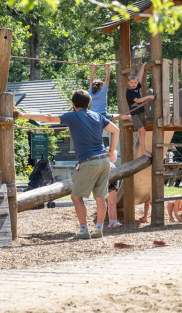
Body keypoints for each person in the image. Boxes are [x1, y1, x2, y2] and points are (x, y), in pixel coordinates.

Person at [17, 90, 120, 239]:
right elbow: (116, 130)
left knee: (76, 197)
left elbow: (48, 117)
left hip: (89, 161)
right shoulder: (98, 116)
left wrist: (23, 115)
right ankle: (98, 229)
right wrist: (110, 152)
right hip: (104, 161)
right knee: (100, 197)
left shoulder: (72, 116)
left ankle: (84, 230)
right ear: (89, 103)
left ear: (73, 104)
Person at [126, 62, 156, 158]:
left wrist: (142, 67)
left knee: (142, 132)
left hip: (141, 112)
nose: (134, 84)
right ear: (128, 83)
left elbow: (140, 77)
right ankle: (143, 151)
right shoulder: (129, 92)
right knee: (142, 131)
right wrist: (149, 97)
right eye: (132, 82)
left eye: (135, 82)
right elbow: (138, 100)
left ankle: (143, 150)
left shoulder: (137, 87)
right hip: (135, 114)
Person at [106, 161, 122, 228]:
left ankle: (111, 222)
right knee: (113, 204)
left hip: (108, 186)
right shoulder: (110, 164)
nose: (116, 158)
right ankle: (115, 221)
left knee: (110, 204)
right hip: (112, 186)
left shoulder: (106, 162)